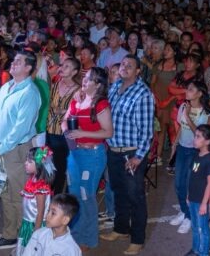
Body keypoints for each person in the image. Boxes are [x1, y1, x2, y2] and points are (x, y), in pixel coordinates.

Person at [0, 51, 41, 252]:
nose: (13, 63)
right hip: (0, 147)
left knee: (18, 195)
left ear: (28, 68)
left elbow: (21, 129)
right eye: (13, 60)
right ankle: (10, 235)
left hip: (16, 150)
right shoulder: (7, 86)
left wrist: (0, 148)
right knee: (4, 193)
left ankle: (23, 239)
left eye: (19, 61)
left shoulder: (30, 93)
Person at [101, 55, 155, 256]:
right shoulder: (115, 87)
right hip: (114, 151)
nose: (124, 68)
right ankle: (120, 229)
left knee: (135, 197)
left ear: (138, 71)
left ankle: (137, 239)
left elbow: (147, 131)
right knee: (118, 192)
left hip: (131, 154)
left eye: (129, 66)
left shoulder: (143, 94)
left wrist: (138, 157)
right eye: (123, 64)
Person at [64, 67, 113, 251]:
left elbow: (108, 132)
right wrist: (66, 130)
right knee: (74, 195)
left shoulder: (100, 104)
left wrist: (81, 133)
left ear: (98, 84)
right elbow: (65, 119)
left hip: (92, 155)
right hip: (75, 154)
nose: (84, 80)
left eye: (89, 79)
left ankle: (88, 238)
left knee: (87, 196)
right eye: (84, 77)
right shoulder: (78, 99)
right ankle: (75, 235)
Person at [169, 80, 210, 235]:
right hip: (182, 149)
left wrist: (187, 115)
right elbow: (181, 127)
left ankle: (189, 217)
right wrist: (175, 144)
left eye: (191, 89)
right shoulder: (183, 106)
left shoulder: (204, 112)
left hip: (194, 153)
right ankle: (184, 211)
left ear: (200, 93)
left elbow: (198, 133)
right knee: (178, 184)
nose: (187, 91)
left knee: (188, 185)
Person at [46, 56, 82, 194]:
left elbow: (79, 111)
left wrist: (64, 111)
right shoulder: (55, 84)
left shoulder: (78, 90)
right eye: (62, 65)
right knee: (49, 165)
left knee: (60, 167)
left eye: (67, 66)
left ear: (74, 72)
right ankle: (48, 194)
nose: (61, 68)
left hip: (63, 134)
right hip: (49, 130)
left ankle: (58, 197)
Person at [186, 125, 210, 256]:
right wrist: (188, 195)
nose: (195, 139)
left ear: (208, 141)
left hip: (201, 200)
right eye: (195, 136)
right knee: (194, 226)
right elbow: (192, 178)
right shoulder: (197, 155)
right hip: (193, 197)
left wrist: (205, 203)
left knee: (202, 228)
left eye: (198, 137)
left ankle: (203, 252)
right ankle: (195, 249)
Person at [17, 146, 56, 254]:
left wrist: (36, 233)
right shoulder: (33, 180)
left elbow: (40, 212)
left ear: (39, 165)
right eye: (26, 160)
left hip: (35, 225)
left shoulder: (41, 187)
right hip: (28, 223)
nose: (25, 163)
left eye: (29, 161)